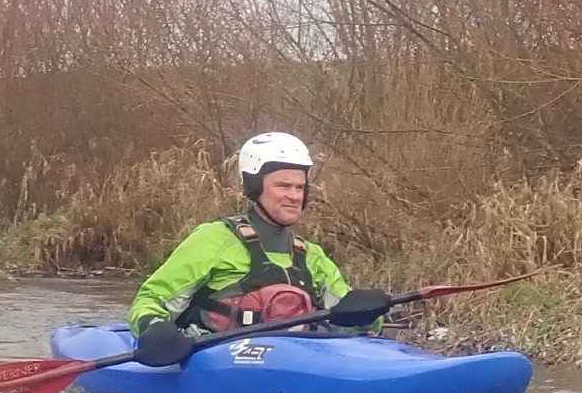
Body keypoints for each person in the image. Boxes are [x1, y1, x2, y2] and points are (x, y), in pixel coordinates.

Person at [128, 133, 391, 366]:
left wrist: (367, 313)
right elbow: (150, 301)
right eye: (283, 186)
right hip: (219, 359)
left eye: (300, 187)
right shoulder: (213, 240)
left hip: (296, 361)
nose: (295, 195)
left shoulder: (310, 255)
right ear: (255, 187)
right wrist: (154, 328)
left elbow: (353, 325)